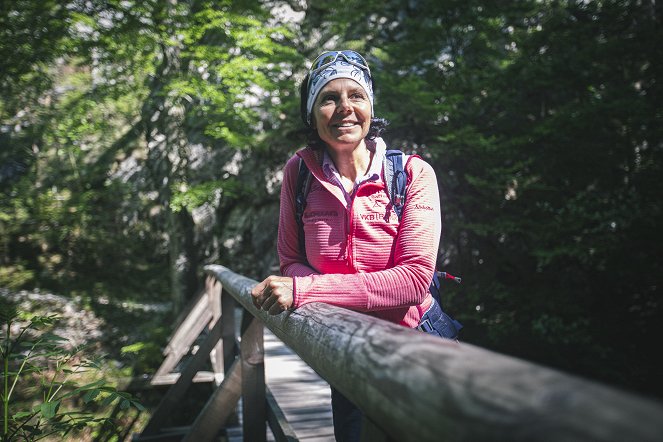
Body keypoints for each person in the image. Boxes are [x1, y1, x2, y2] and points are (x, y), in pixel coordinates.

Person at [251, 50, 444, 441]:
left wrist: (306, 290)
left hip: (417, 349)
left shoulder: (411, 173)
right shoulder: (299, 173)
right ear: (311, 113)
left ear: (371, 105)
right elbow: (290, 260)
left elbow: (413, 282)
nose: (344, 108)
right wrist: (302, 284)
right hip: (348, 350)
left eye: (355, 95)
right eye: (328, 98)